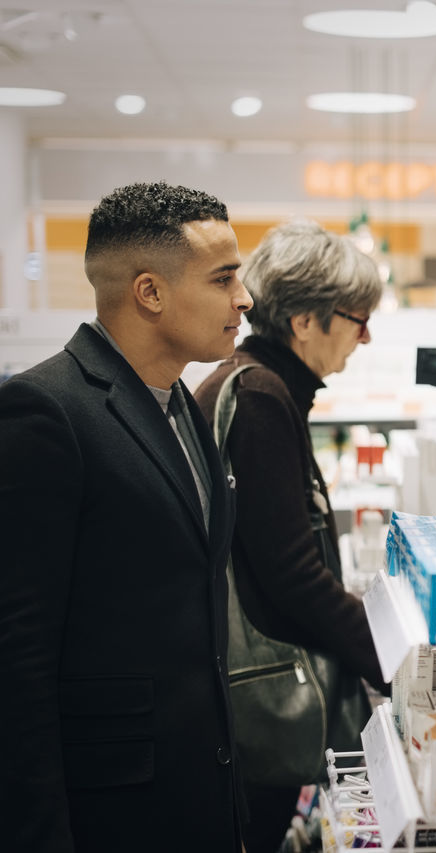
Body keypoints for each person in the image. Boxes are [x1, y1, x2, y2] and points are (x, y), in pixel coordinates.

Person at [0, 182, 251, 851]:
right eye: (225, 278)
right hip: (110, 809)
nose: (244, 299)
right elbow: (17, 660)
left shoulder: (182, 406)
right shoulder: (46, 411)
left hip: (199, 789)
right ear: (150, 292)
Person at [193, 219, 385, 853]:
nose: (365, 335)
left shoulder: (252, 384)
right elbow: (291, 576)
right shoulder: (259, 397)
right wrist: (390, 657)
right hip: (258, 700)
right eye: (357, 318)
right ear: (305, 321)